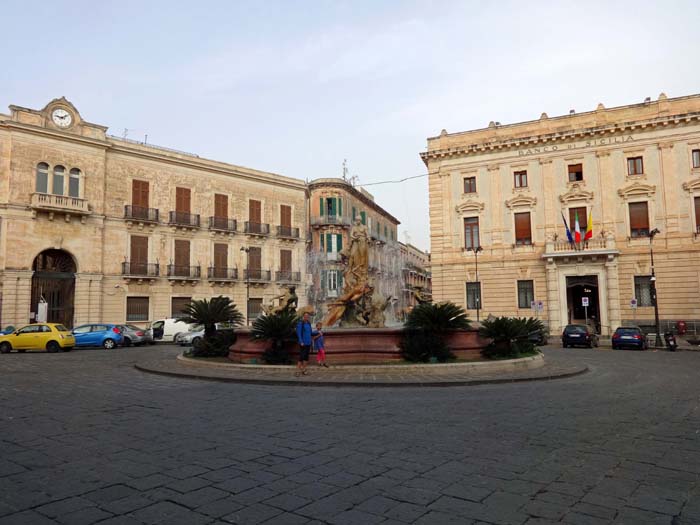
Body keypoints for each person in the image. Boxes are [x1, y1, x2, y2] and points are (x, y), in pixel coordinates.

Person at [295, 312, 313, 376]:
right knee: (301, 357)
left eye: (308, 316)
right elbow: (298, 333)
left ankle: (304, 370)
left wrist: (318, 333)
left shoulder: (308, 324)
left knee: (306, 357)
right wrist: (301, 341)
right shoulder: (300, 324)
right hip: (303, 343)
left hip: (308, 342)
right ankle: (297, 371)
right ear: (303, 317)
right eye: (305, 316)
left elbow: (310, 333)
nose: (307, 317)